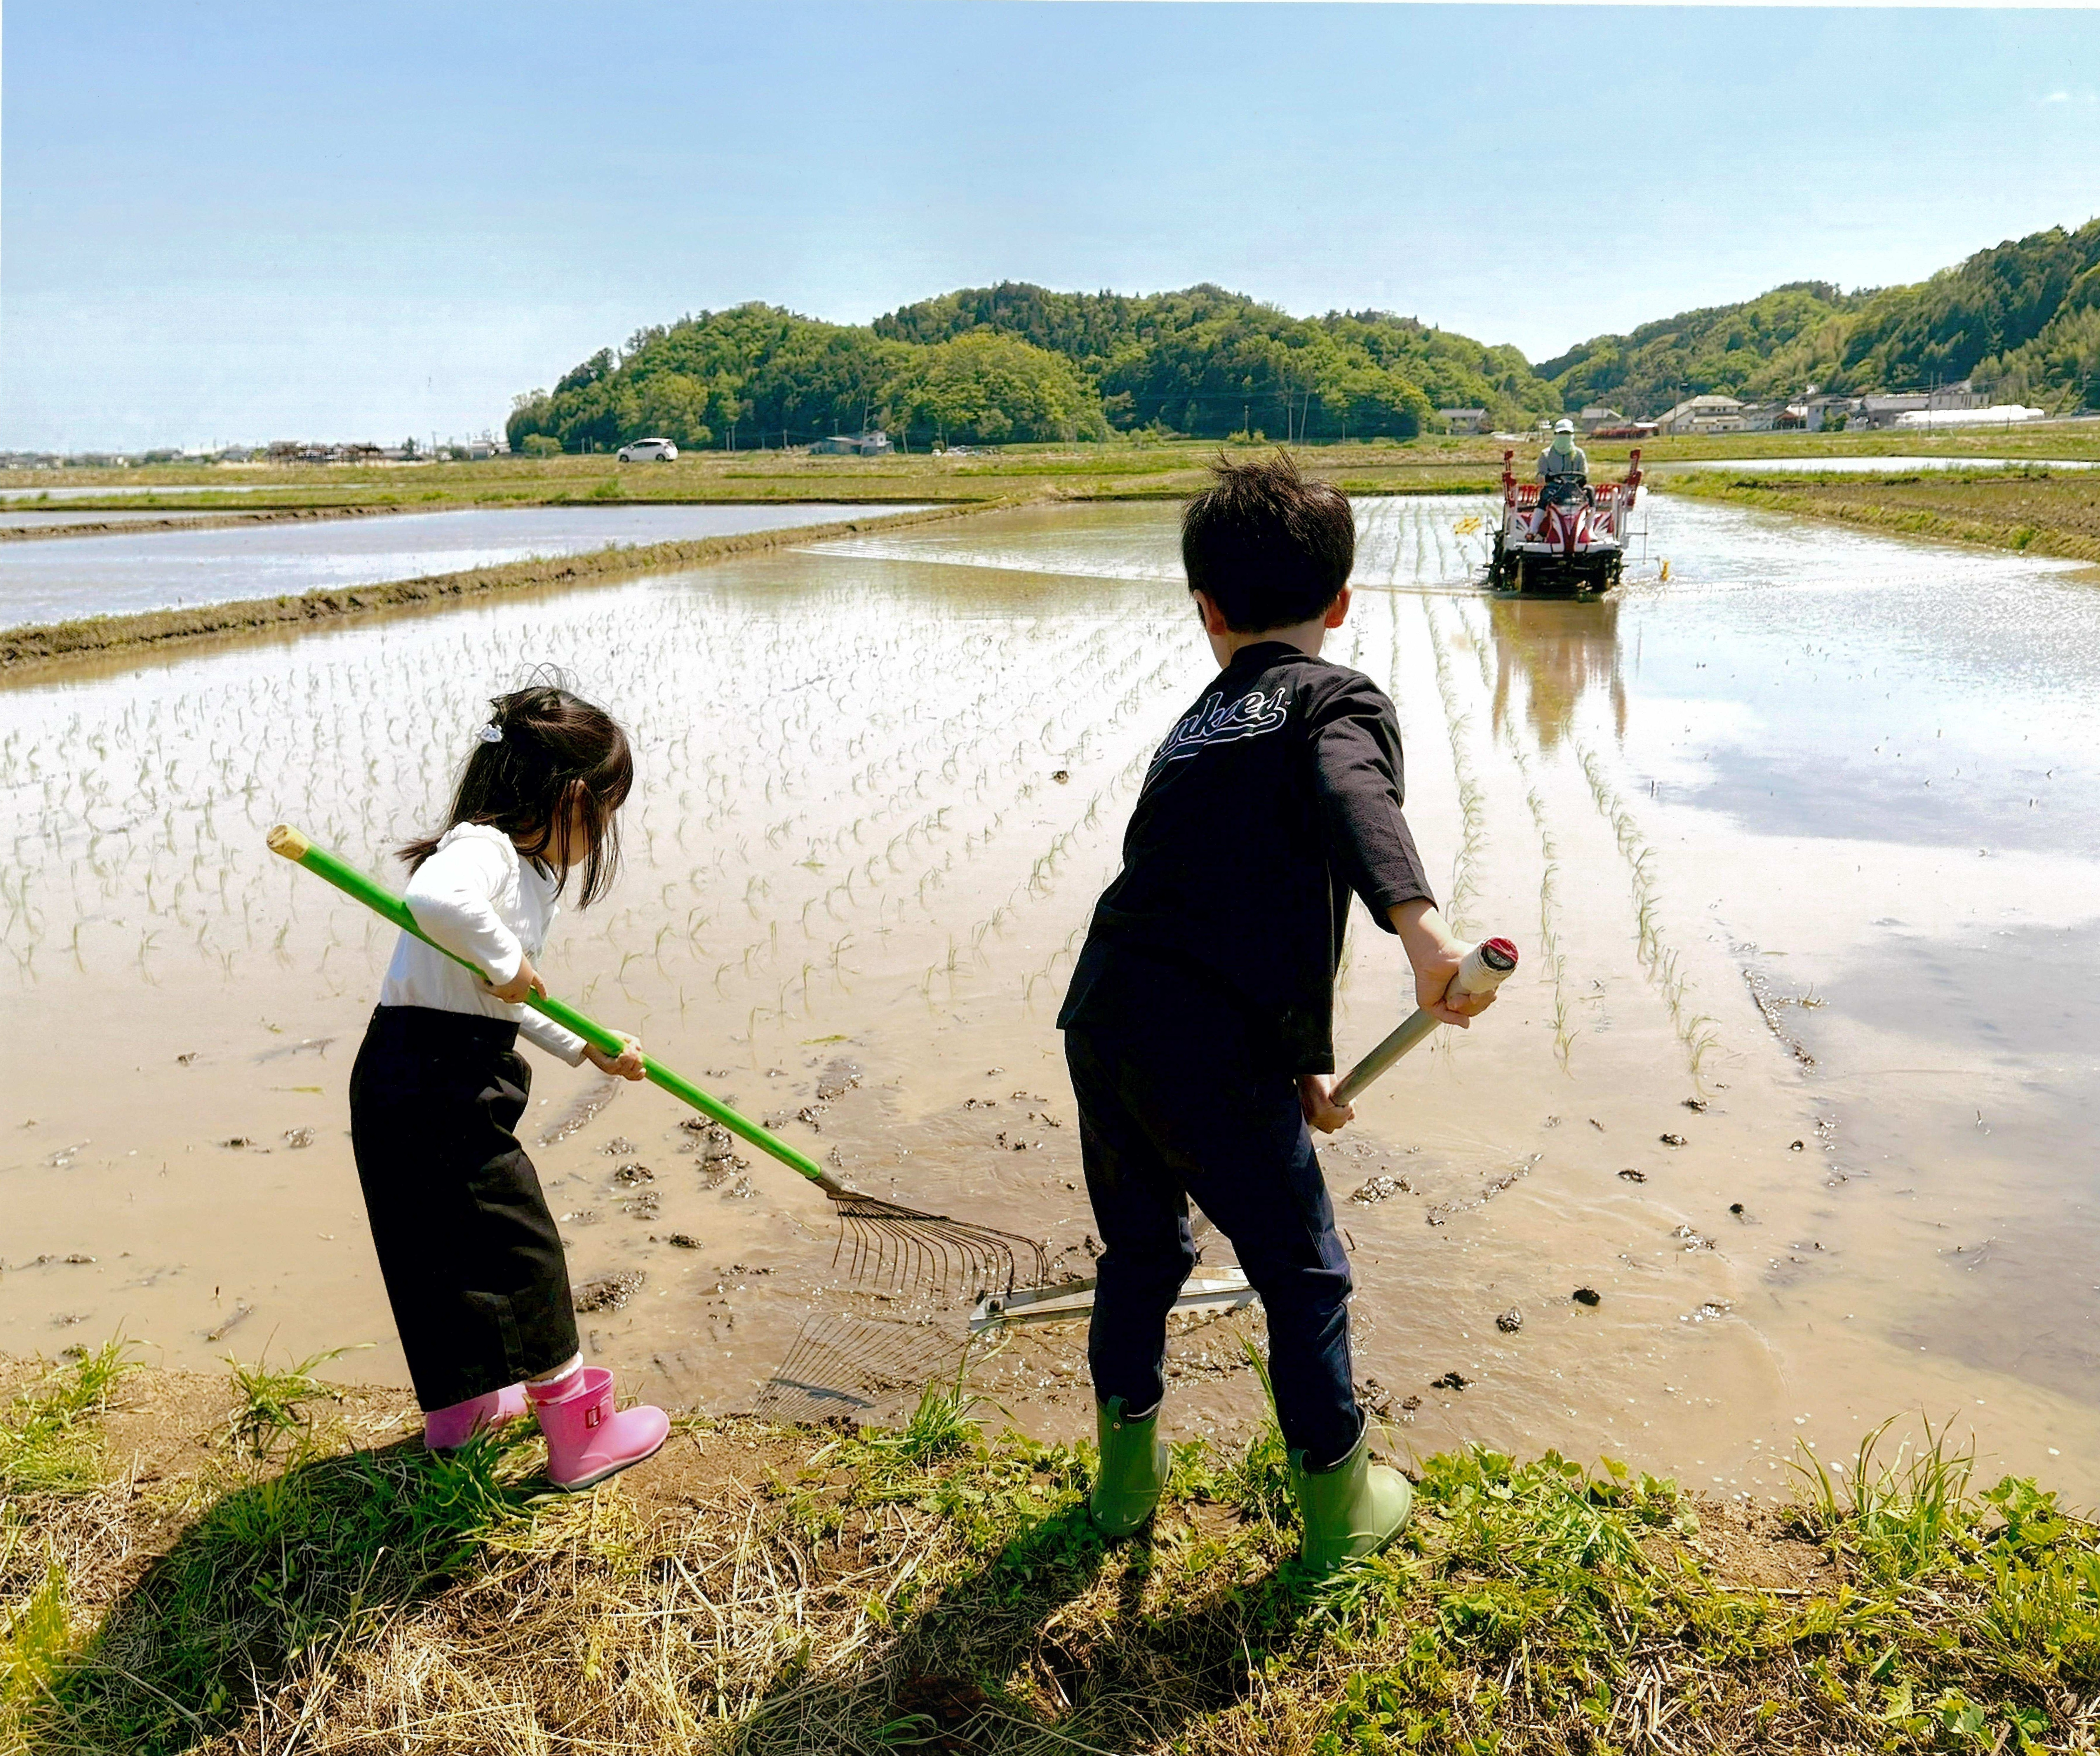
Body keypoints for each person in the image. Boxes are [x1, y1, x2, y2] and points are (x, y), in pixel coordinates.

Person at [1057, 454, 1496, 1572]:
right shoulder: (1335, 700)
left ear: (1205, 608)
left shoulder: (1196, 724)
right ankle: (1340, 1503)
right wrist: (1426, 936)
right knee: (1304, 1272)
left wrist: (1296, 1057)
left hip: (1106, 1016)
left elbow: (1213, 899)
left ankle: (1123, 1483)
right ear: (1339, 604)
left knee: (1139, 1253)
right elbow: (1356, 796)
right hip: (1208, 1039)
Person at [348, 677, 670, 1490]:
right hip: (440, 1079)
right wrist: (504, 959)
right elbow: (433, 897)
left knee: (434, 1246)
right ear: (569, 799)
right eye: (604, 814)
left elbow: (504, 998)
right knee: (520, 1249)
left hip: (410, 1068)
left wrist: (586, 1047)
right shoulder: (484, 851)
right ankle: (580, 1438)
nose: (602, 835)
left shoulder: (525, 877)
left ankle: (461, 1412)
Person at [1536, 418, 1590, 503]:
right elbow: (1541, 475)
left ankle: (1592, 511)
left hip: (1575, 489)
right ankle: (1539, 512)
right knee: (1545, 496)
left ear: (1572, 435)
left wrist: (1581, 480)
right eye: (1561, 433)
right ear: (1556, 435)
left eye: (1567, 433)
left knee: (1590, 491)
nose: (1564, 436)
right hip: (1554, 489)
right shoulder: (1546, 454)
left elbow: (1584, 473)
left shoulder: (1579, 454)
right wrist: (1547, 478)